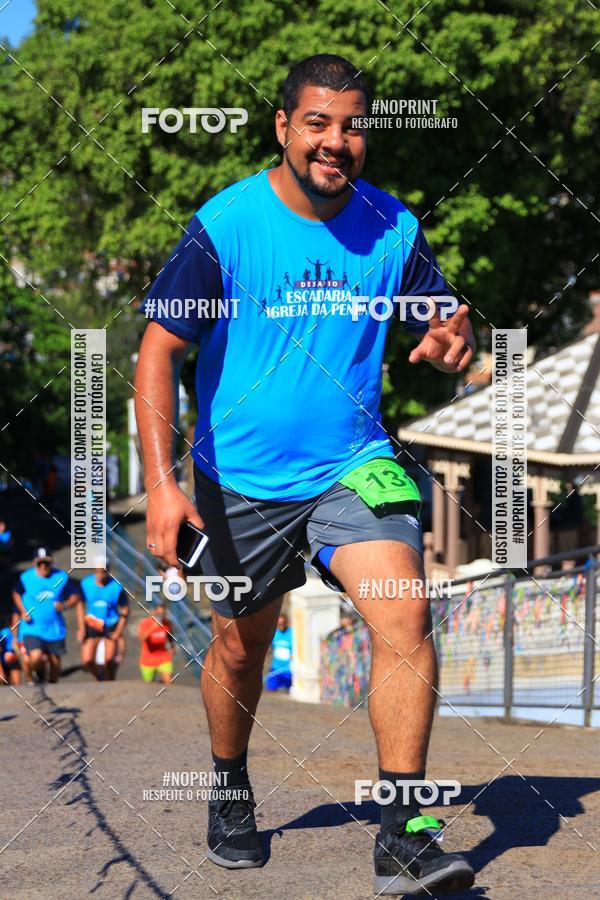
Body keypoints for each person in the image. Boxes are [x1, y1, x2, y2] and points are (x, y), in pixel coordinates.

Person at [135, 54, 475, 893]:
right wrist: (163, 486)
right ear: (283, 126)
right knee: (241, 648)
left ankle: (404, 834)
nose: (336, 141)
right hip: (238, 479)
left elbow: (445, 329)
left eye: (352, 125)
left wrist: (455, 347)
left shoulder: (393, 226)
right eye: (317, 122)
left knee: (405, 612)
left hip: (352, 465)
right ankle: (229, 785)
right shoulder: (227, 225)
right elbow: (158, 352)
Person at [12, 548, 81, 684]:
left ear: (51, 563)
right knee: (35, 657)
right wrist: (22, 610)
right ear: (34, 563)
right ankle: (36, 677)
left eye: (46, 563)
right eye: (40, 563)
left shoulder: (61, 577)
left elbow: (76, 596)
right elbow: (15, 593)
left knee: (55, 663)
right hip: (32, 628)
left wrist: (64, 605)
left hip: (54, 629)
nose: (43, 566)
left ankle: (52, 686)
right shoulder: (25, 578)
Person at [80, 562, 129, 680]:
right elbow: (79, 605)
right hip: (92, 623)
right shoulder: (85, 584)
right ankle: (100, 679)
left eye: (103, 572)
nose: (100, 575)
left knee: (109, 660)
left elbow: (125, 609)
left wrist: (118, 631)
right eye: (98, 571)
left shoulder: (116, 586)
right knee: (87, 660)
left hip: (110, 624)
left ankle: (110, 682)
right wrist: (81, 628)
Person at [138, 598, 175, 684]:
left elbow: (170, 634)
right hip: (148, 660)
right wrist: (152, 628)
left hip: (163, 657)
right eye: (159, 613)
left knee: (168, 681)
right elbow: (141, 638)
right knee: (149, 685)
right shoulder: (146, 623)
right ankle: (158, 685)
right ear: (154, 612)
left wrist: (172, 646)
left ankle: (164, 686)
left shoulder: (167, 623)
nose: (161, 616)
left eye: (163, 614)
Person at [264, 613, 293, 691]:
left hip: (288, 669)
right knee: (270, 688)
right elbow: (269, 648)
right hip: (276, 668)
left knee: (288, 690)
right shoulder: (274, 633)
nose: (281, 625)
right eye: (279, 623)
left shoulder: (292, 633)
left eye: (283, 623)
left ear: (286, 622)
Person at [0, 619, 22, 686]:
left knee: (11, 657)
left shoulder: (18, 632)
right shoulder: (5, 632)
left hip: (11, 656)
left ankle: (18, 686)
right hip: (5, 657)